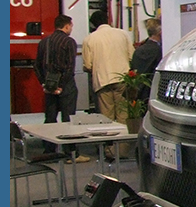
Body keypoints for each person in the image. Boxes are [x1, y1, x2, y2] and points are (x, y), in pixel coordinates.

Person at [82, 10, 135, 160]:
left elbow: (87, 65)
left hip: (102, 80)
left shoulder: (90, 39)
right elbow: (132, 56)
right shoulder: (123, 34)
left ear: (93, 24)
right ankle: (123, 151)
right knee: (123, 115)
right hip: (123, 79)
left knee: (107, 117)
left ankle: (109, 152)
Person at [33, 15, 88, 161]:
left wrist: (45, 84)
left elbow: (36, 65)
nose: (71, 28)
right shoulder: (69, 42)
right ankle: (71, 153)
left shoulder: (44, 42)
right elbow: (69, 68)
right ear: (67, 26)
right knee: (68, 118)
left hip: (49, 86)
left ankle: (49, 151)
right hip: (66, 86)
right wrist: (61, 86)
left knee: (50, 118)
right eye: (71, 26)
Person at [129, 18, 163, 104]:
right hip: (153, 94)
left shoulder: (139, 49)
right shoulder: (160, 51)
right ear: (160, 33)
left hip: (139, 94)